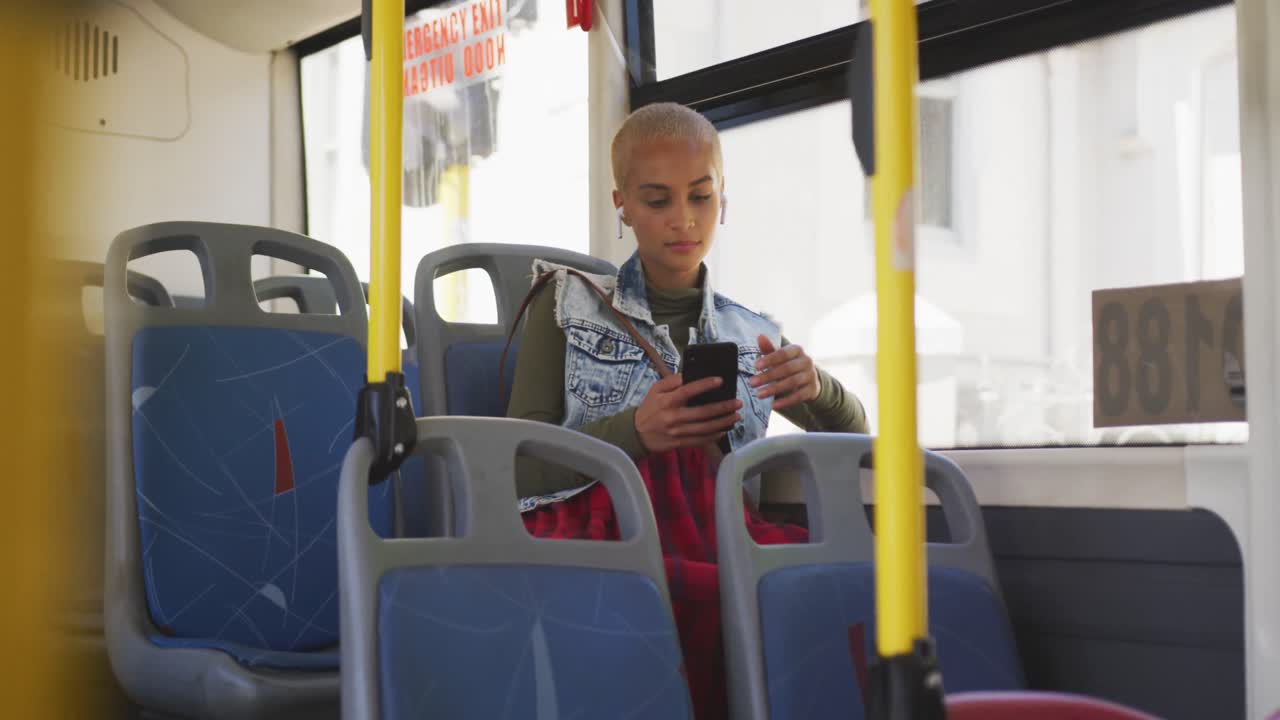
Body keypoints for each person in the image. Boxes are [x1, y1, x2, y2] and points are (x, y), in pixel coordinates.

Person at [506, 101, 868, 501]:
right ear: (621, 205)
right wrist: (636, 432)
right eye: (658, 202)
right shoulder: (567, 304)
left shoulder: (750, 335)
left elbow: (856, 443)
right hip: (607, 550)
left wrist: (819, 388)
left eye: (700, 195)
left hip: (724, 544)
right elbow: (517, 469)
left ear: (722, 195)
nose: (683, 219)